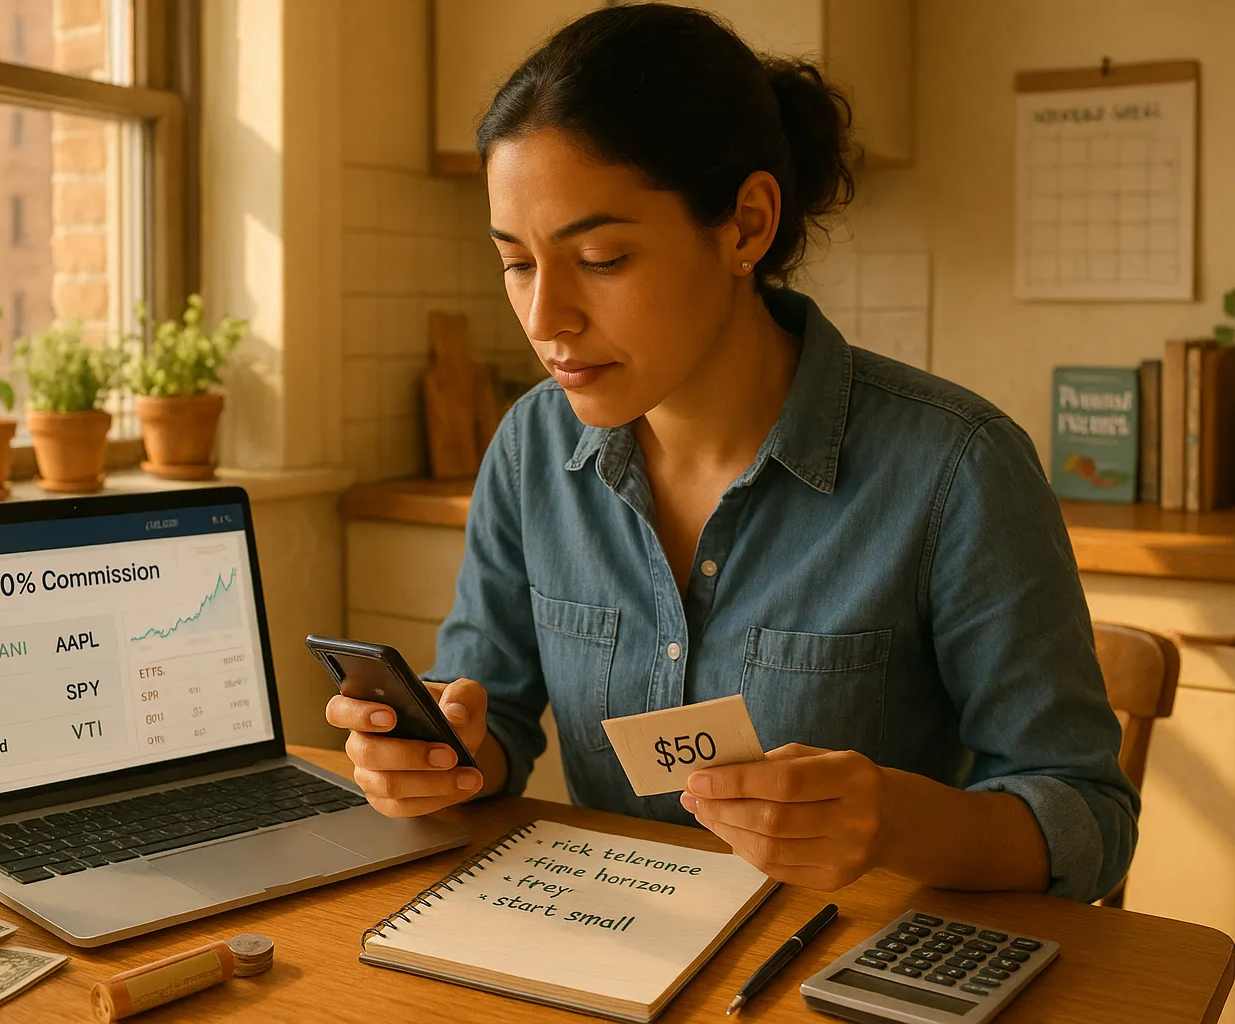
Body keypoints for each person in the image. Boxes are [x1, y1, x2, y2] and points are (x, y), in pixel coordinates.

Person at [325, 2, 1137, 903]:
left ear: (746, 226)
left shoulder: (958, 468)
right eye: (516, 262)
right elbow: (495, 715)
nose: (544, 318)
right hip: (607, 947)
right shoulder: (531, 446)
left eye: (599, 257)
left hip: (838, 967)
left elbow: (1087, 816)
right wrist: (441, 752)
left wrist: (896, 821)